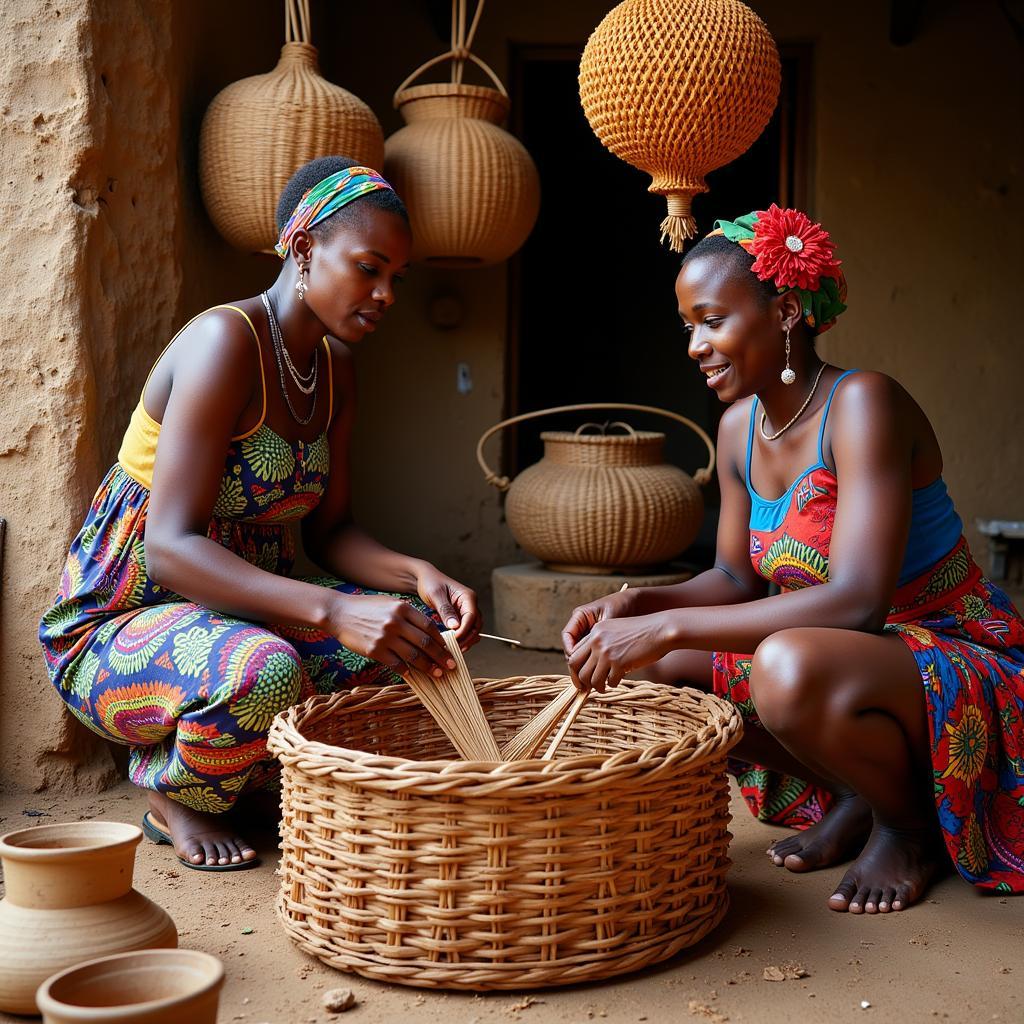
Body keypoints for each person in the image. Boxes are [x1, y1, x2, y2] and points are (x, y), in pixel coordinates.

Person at [561, 205, 1024, 913]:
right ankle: (855, 791)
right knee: (653, 665)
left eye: (712, 320)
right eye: (689, 326)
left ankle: (909, 827)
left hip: (952, 651)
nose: (694, 346)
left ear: (782, 311)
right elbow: (731, 579)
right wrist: (635, 608)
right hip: (851, 652)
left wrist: (670, 626)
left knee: (784, 663)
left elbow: (859, 602)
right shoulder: (738, 427)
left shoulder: (863, 404)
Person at [40, 156, 481, 870]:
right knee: (265, 672)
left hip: (238, 618)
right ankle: (177, 794)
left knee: (418, 642)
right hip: (118, 626)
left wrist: (418, 576)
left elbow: (330, 533)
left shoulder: (334, 369)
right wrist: (334, 613)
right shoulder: (226, 343)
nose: (385, 293)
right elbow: (171, 551)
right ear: (304, 249)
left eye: (396, 278)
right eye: (369, 268)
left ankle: (248, 774)